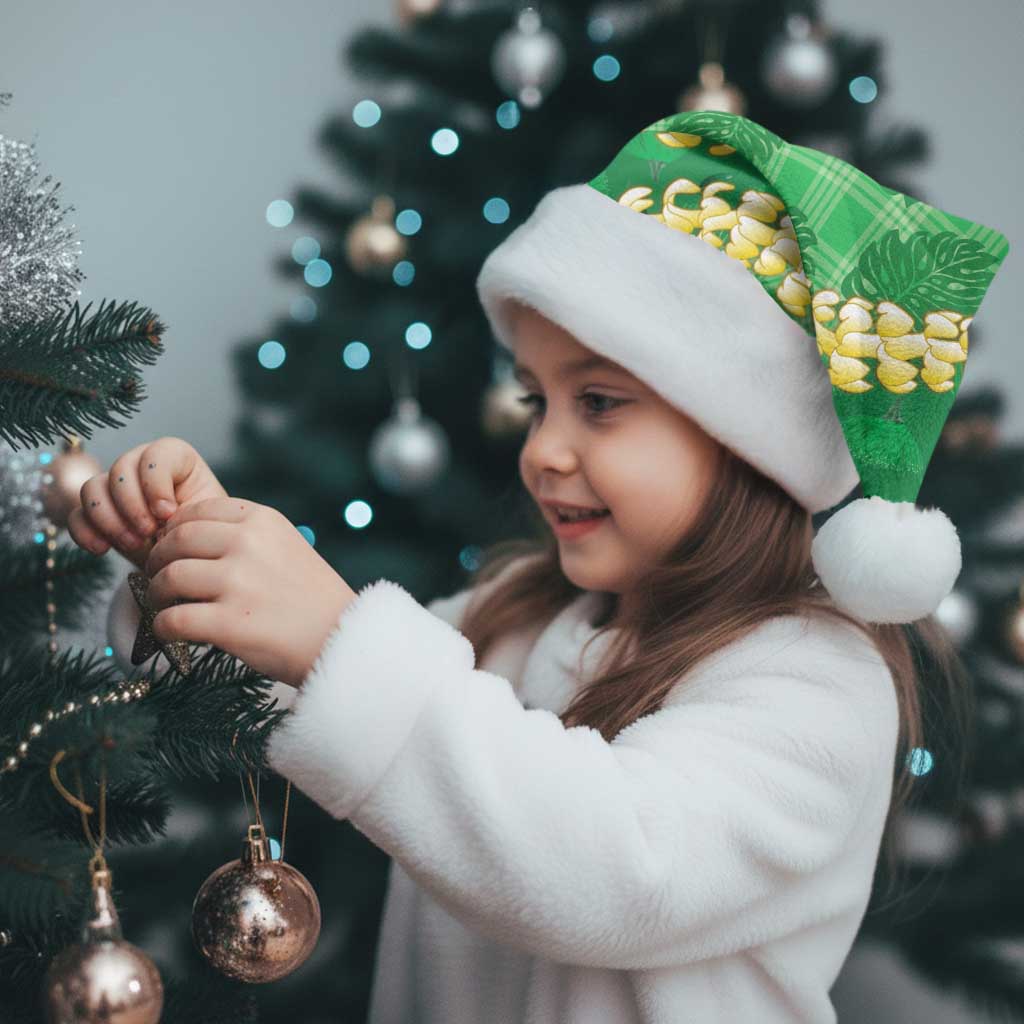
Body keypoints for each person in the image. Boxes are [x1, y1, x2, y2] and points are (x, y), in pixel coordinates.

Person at [75, 110, 1009, 1023]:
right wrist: (192, 565)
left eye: (598, 403)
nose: (543, 450)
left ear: (747, 441)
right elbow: (305, 691)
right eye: (536, 401)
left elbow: (615, 870)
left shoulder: (818, 683)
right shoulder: (515, 616)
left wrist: (335, 635)